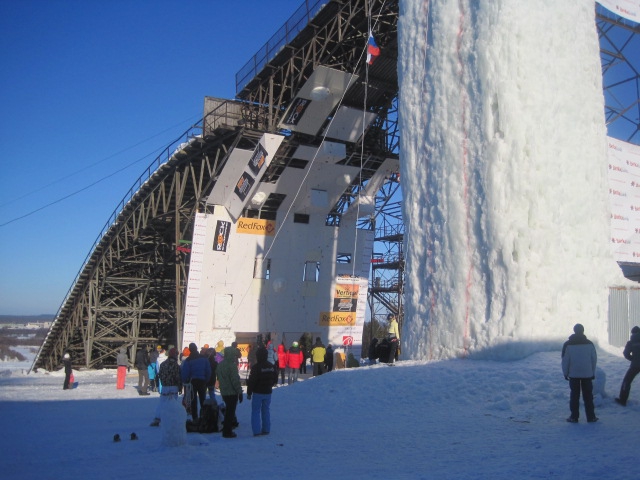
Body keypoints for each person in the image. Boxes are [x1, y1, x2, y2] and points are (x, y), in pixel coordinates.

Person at [561, 323, 598, 423]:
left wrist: (565, 373)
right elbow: (593, 359)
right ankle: (591, 417)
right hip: (587, 374)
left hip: (573, 374)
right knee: (588, 396)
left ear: (574, 330)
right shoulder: (589, 344)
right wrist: (592, 372)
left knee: (574, 396)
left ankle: (574, 417)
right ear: (583, 331)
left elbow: (565, 360)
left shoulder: (567, 344)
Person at [246, 347, 278, 436]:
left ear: (257, 356)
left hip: (257, 392)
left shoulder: (256, 367)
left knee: (255, 411)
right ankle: (266, 429)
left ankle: (256, 431)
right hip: (268, 391)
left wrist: (249, 392)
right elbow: (275, 378)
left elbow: (252, 381)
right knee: (266, 410)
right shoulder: (271, 366)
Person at [150, 347, 183, 426]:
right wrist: (180, 387)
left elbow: (160, 375)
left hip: (165, 386)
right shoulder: (176, 366)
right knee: (173, 404)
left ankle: (157, 418)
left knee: (162, 403)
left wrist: (163, 382)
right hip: (174, 387)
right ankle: (171, 419)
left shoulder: (163, 364)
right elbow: (178, 377)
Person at [181, 343, 211, 422]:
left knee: (193, 400)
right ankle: (204, 416)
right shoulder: (204, 358)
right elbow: (208, 370)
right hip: (202, 381)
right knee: (203, 399)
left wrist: (184, 380)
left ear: (190, 350)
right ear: (197, 348)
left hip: (192, 382)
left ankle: (195, 418)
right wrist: (206, 380)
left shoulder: (188, 360)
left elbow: (185, 372)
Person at [217, 346, 243, 438]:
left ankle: (226, 430)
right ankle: (227, 431)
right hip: (232, 392)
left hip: (224, 391)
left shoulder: (220, 365)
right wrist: (239, 392)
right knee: (230, 412)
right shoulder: (231, 365)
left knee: (228, 411)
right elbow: (235, 380)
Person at [615, 326, 640, 406]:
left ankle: (623, 400)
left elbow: (626, 354)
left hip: (635, 365)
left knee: (627, 381)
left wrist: (633, 358)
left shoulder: (631, 342)